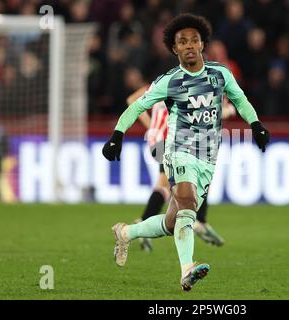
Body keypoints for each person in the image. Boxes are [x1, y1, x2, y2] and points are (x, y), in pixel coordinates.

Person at [102, 13, 270, 291]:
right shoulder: (169, 81)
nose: (190, 45)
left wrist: (256, 125)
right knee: (189, 204)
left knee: (172, 221)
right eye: (183, 41)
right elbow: (137, 105)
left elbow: (241, 100)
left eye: (195, 40)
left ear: (203, 44)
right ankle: (187, 270)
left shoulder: (220, 75)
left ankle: (126, 232)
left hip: (208, 156)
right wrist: (117, 135)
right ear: (174, 48)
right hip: (178, 151)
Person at [128, 85, 236, 252]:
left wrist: (152, 126)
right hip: (172, 140)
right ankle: (199, 220)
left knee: (163, 185)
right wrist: (227, 109)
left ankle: (143, 223)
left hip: (156, 140)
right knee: (194, 174)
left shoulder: (158, 83)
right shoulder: (188, 85)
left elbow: (132, 100)